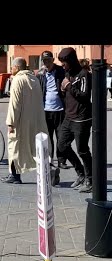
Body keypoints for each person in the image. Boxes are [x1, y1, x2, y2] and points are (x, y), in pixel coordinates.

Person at [1, 57, 51, 185]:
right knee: (35, 148)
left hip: (21, 120)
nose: (11, 69)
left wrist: (11, 122)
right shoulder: (34, 79)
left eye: (12, 67)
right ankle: (48, 171)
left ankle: (14, 175)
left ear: (16, 68)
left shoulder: (17, 80)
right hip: (36, 119)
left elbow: (14, 103)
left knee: (15, 146)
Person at [57, 47, 93, 193]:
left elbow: (84, 96)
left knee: (83, 150)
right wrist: (63, 90)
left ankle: (90, 180)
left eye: (64, 62)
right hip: (69, 117)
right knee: (62, 146)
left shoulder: (83, 74)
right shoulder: (67, 73)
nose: (63, 65)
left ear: (70, 60)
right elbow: (67, 94)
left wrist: (69, 87)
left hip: (82, 119)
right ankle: (81, 174)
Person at [36, 50, 68, 170]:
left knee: (61, 137)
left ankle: (62, 161)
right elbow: (38, 90)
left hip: (60, 110)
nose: (46, 63)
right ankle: (49, 159)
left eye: (48, 60)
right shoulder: (40, 74)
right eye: (44, 61)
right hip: (46, 110)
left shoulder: (61, 71)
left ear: (53, 60)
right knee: (47, 137)